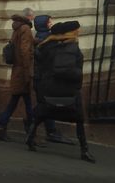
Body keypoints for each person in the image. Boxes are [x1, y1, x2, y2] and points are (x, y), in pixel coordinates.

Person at [26, 20, 95, 163]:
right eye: (77, 30)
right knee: (79, 119)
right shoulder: (72, 48)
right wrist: (78, 80)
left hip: (48, 88)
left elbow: (41, 66)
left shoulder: (45, 46)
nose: (79, 32)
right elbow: (72, 71)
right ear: (72, 32)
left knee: (43, 113)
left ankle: (30, 137)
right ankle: (84, 150)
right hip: (67, 89)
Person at [0, 8, 34, 141]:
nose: (33, 18)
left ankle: (0, 126)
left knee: (16, 101)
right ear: (29, 16)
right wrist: (28, 72)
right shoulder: (26, 29)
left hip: (17, 70)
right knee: (27, 102)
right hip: (22, 72)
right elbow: (25, 50)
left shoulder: (17, 28)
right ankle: (30, 132)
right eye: (33, 16)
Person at [32, 15, 74, 145]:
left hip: (41, 76)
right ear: (44, 24)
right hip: (44, 77)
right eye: (49, 21)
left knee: (46, 104)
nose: (51, 23)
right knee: (46, 104)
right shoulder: (46, 39)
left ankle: (50, 130)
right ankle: (46, 129)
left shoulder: (40, 36)